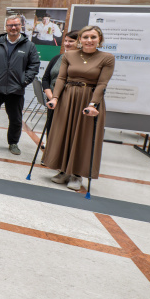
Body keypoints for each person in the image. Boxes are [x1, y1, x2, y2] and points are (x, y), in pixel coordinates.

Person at [45, 26, 115, 191]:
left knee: (83, 136)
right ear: (80, 40)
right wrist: (55, 98)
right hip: (68, 97)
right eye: (85, 37)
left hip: (88, 98)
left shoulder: (107, 58)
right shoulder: (69, 55)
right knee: (63, 132)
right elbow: (61, 77)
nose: (89, 40)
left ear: (99, 39)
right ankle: (63, 170)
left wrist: (93, 104)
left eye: (93, 37)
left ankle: (77, 174)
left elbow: (102, 83)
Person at [0, 14, 41, 155]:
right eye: (10, 25)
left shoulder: (29, 45)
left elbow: (34, 65)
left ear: (21, 26)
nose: (13, 28)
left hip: (16, 89)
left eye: (16, 25)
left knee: (15, 119)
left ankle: (13, 143)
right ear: (5, 27)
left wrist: (24, 81)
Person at [41, 30, 80, 134]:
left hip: (70, 102)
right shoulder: (57, 58)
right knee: (51, 130)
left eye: (71, 41)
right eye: (65, 41)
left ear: (79, 42)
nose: (67, 44)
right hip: (53, 101)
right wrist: (52, 98)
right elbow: (45, 79)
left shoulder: (82, 62)